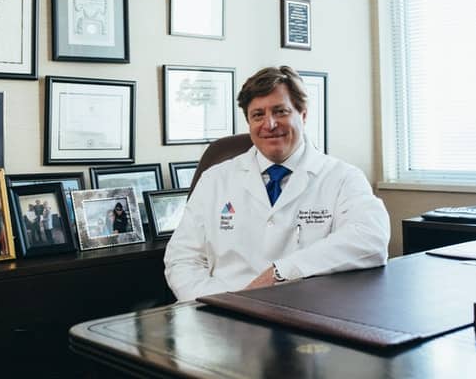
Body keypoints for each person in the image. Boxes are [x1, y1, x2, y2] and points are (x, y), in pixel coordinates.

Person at [164, 66, 390, 301]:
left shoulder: (342, 177)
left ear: (303, 114)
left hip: (306, 314)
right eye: (258, 115)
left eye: (280, 111)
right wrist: (220, 301)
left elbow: (370, 238)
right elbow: (182, 259)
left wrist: (281, 272)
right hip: (223, 315)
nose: (269, 124)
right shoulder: (215, 179)